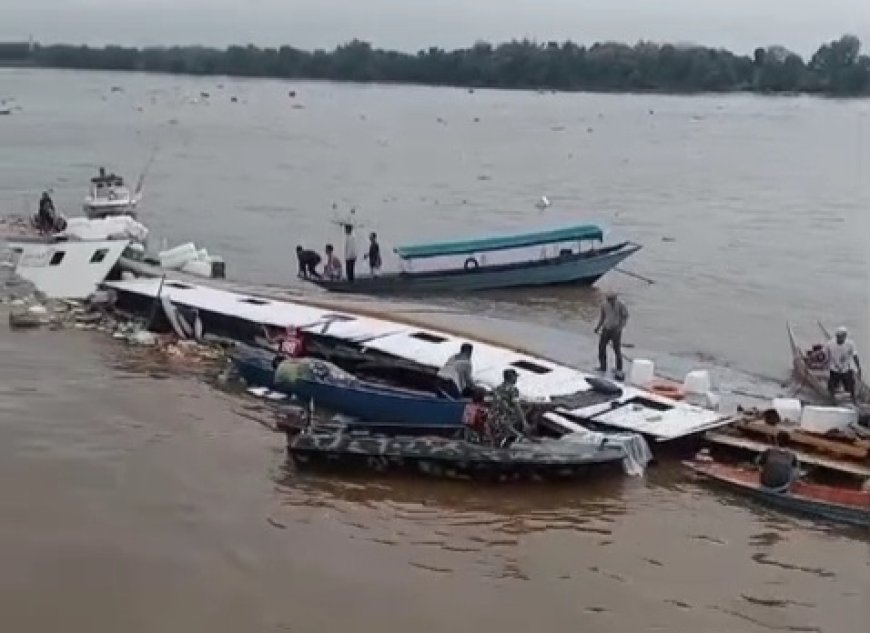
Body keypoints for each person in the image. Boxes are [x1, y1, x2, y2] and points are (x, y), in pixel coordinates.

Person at [594, 291, 629, 378]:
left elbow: (625, 317)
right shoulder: (604, 305)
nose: (610, 301)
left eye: (612, 299)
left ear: (615, 298)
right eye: (608, 299)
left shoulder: (621, 305)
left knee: (617, 350)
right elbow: (602, 317)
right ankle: (603, 367)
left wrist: (621, 327)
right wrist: (598, 327)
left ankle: (619, 369)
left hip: (616, 330)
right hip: (606, 329)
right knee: (601, 348)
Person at [488, 368, 526, 446]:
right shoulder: (513, 390)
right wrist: (524, 421)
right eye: (515, 377)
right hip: (507, 419)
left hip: (494, 418)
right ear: (511, 378)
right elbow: (517, 406)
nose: (516, 379)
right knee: (512, 436)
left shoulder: (498, 388)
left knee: (496, 442)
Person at [825, 326, 862, 403]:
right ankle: (832, 400)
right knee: (832, 386)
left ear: (845, 336)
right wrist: (826, 365)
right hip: (834, 369)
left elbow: (855, 356)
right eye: (838, 336)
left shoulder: (850, 344)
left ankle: (853, 399)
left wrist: (858, 367)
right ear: (836, 336)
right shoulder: (830, 344)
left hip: (846, 369)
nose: (840, 338)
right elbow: (826, 356)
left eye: (842, 336)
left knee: (850, 386)